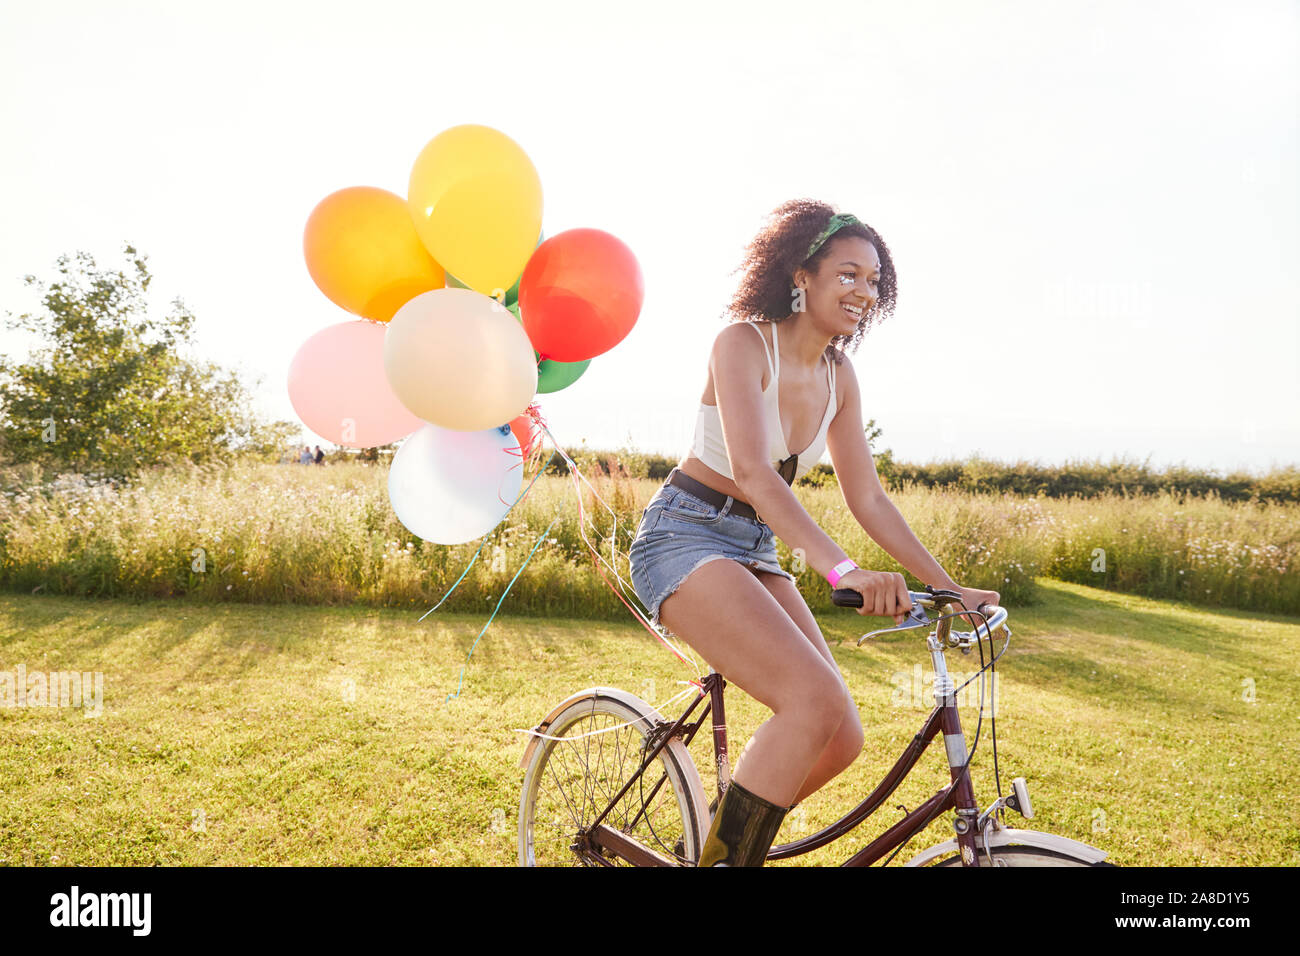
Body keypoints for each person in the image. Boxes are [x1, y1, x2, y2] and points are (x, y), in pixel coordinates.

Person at [627, 200, 999, 867]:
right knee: (811, 700)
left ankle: (720, 840)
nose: (864, 291)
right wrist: (842, 571)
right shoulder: (741, 343)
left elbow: (869, 497)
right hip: (684, 534)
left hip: (755, 547)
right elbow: (756, 474)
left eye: (874, 281)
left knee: (841, 736)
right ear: (802, 274)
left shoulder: (840, 375)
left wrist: (948, 587)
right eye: (848, 274)